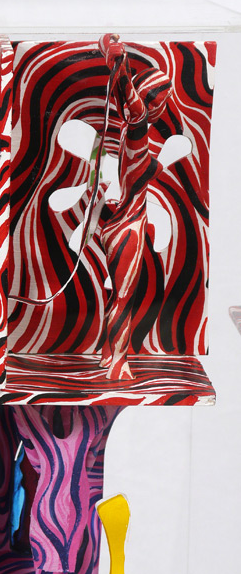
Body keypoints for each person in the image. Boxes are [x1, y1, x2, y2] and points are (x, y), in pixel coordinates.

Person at [98, 33, 172, 380]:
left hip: (120, 221)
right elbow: (134, 104)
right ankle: (118, 363)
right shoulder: (137, 128)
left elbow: (125, 100)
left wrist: (117, 62)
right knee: (124, 298)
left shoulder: (133, 134)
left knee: (117, 294)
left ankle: (106, 354)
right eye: (163, 97)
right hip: (129, 224)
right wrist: (119, 60)